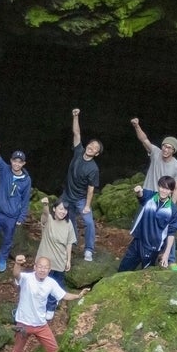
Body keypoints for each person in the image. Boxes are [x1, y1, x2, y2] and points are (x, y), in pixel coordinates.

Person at [9, 255, 89, 352]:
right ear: (35, 267)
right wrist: (17, 264)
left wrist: (78, 296)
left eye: (45, 267)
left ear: (49, 270)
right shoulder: (27, 278)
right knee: (17, 350)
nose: (42, 270)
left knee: (53, 350)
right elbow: (16, 274)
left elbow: (63, 295)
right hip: (23, 323)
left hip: (40, 324)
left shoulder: (51, 283)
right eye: (40, 267)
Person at [131, 117, 177, 270]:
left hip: (164, 197)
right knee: (141, 224)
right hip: (149, 193)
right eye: (165, 146)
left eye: (170, 148)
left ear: (174, 150)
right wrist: (136, 125)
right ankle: (138, 255)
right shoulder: (155, 152)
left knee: (167, 227)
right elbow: (144, 139)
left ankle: (170, 259)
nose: (166, 150)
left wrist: (172, 205)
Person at [0, 142, 32, 273]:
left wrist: (21, 217)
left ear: (23, 163)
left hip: (12, 216)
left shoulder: (26, 180)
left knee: (7, 240)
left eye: (20, 162)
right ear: (11, 161)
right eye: (15, 161)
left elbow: (25, 200)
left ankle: (2, 258)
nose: (17, 164)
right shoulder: (5, 170)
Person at [118, 176, 177, 272]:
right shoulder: (150, 196)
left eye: (167, 189)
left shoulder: (173, 209)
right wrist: (138, 191)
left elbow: (171, 233)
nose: (163, 191)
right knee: (123, 269)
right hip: (138, 240)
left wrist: (166, 255)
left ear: (171, 191)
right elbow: (141, 196)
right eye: (162, 187)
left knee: (146, 273)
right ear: (158, 186)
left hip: (152, 247)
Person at [61, 108, 101, 262]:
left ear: (96, 154)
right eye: (91, 145)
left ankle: (89, 249)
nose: (92, 148)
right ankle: (73, 242)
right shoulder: (78, 151)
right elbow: (76, 133)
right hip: (67, 194)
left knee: (89, 222)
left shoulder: (93, 168)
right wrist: (75, 116)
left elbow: (91, 188)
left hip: (80, 199)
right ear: (87, 145)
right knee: (68, 219)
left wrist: (87, 206)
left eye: (95, 148)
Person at [36, 197, 77, 320]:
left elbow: (69, 243)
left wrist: (68, 260)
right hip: (44, 262)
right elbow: (45, 214)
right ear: (54, 209)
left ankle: (51, 307)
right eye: (60, 209)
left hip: (59, 262)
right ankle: (38, 307)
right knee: (40, 285)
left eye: (65, 210)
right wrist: (45, 205)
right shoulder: (48, 219)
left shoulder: (68, 224)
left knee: (55, 286)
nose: (63, 212)